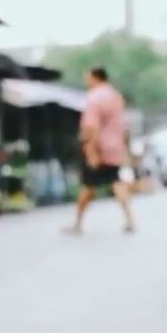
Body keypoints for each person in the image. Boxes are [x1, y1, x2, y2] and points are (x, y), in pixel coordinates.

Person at [66, 67, 135, 234]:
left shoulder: (94, 97)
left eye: (88, 78)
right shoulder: (116, 96)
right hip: (115, 146)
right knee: (116, 181)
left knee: (87, 185)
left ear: (95, 78)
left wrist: (91, 150)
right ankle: (129, 219)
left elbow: (92, 126)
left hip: (98, 147)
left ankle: (77, 223)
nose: (86, 82)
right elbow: (122, 125)